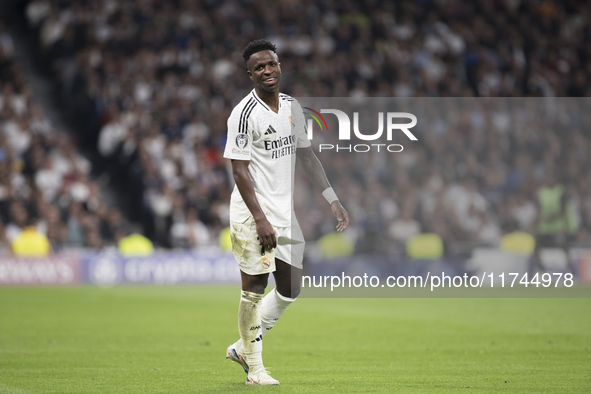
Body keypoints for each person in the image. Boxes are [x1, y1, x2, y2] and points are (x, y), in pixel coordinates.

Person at [222, 40, 349, 385]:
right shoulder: (244, 114)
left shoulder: (293, 107)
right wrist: (260, 219)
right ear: (249, 74)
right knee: (255, 287)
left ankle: (240, 346)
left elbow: (307, 156)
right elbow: (239, 170)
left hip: (284, 214)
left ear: (280, 66)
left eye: (272, 64)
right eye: (259, 67)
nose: (267, 71)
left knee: (291, 288)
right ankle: (255, 368)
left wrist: (331, 198)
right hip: (254, 215)